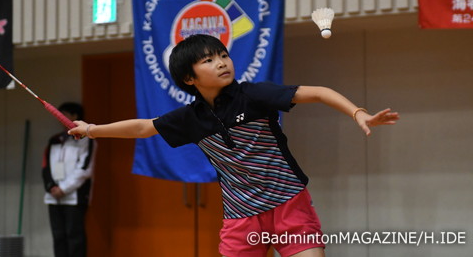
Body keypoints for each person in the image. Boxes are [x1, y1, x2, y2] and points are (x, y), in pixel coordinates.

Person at [68, 34, 399, 257]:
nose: (221, 62)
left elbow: (319, 92)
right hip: (241, 219)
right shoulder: (190, 118)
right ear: (189, 78)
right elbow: (143, 127)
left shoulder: (253, 96)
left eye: (223, 55)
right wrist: (92, 129)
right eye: (209, 61)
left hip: (290, 208)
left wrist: (358, 113)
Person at [42, 102, 96, 257]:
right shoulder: (54, 140)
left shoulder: (87, 140)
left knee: (75, 236)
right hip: (53, 197)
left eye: (64, 114)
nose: (60, 118)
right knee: (58, 236)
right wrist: (51, 186)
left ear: (75, 116)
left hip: (75, 197)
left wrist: (64, 188)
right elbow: (45, 166)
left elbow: (85, 169)